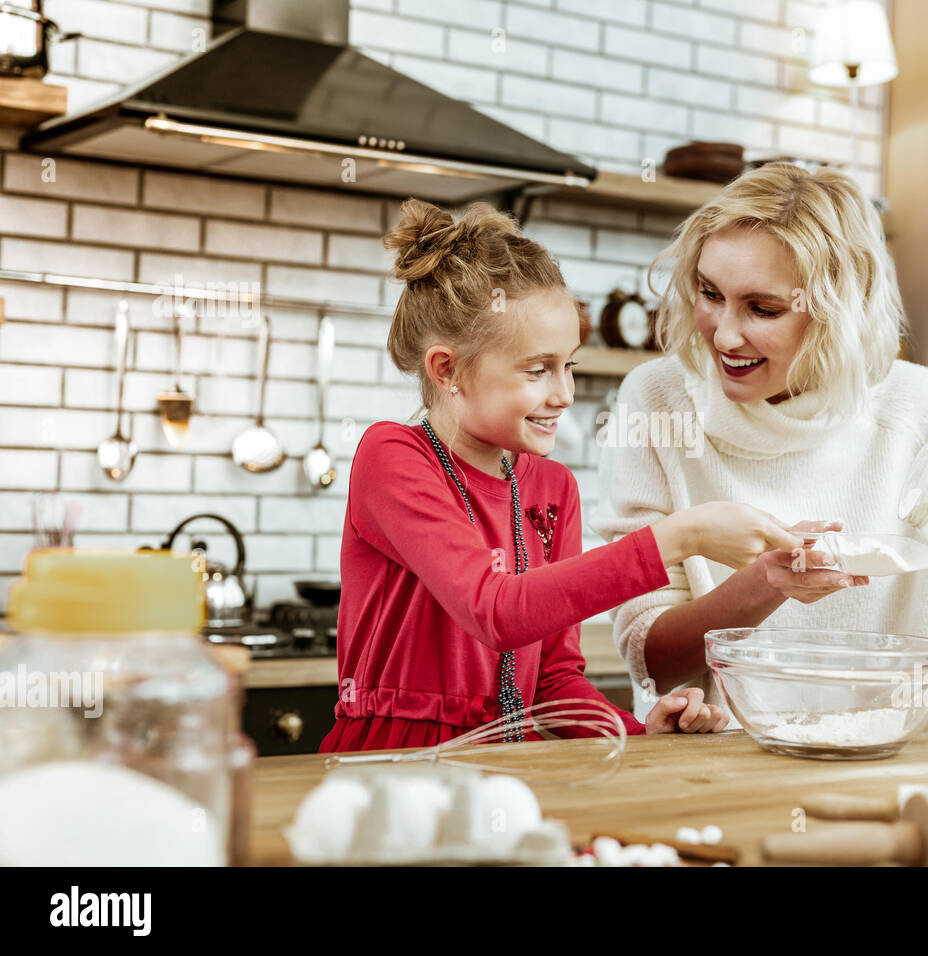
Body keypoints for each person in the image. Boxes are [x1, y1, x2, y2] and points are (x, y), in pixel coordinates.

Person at [592, 163, 928, 723]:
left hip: (885, 762)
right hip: (718, 764)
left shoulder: (918, 409)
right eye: (709, 293)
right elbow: (648, 660)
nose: (723, 333)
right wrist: (764, 585)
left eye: (762, 308)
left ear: (835, 311)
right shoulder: (657, 401)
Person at [319, 198, 806, 752]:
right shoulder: (393, 456)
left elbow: (555, 680)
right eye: (537, 370)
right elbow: (495, 610)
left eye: (568, 365)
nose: (564, 394)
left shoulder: (552, 489)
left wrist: (640, 731)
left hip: (512, 766)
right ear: (446, 369)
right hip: (396, 758)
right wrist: (680, 537)